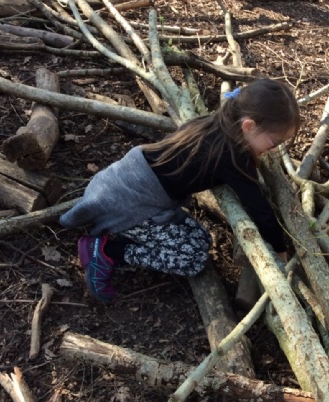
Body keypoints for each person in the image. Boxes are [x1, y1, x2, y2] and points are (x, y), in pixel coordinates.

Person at [60, 78, 300, 304]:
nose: (273, 150)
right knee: (193, 259)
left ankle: (125, 234)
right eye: (274, 143)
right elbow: (260, 210)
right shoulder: (232, 156)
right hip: (129, 206)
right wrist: (280, 251)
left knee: (201, 240)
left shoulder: (215, 122)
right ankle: (107, 251)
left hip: (118, 185)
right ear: (248, 126)